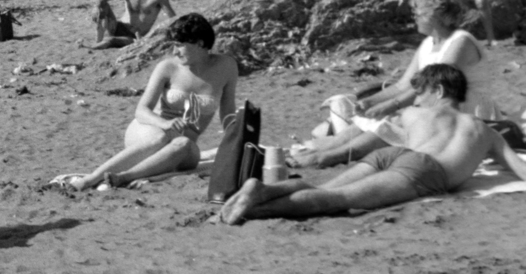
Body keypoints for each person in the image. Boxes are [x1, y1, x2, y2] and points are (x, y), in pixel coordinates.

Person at [221, 64, 526, 224]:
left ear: (439, 89)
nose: (417, 98)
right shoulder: (485, 132)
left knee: (326, 190)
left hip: (393, 155)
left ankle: (262, 191)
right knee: (338, 200)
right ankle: (256, 210)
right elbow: (519, 170)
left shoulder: (412, 113)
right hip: (423, 172)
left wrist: (328, 149)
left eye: (420, 91)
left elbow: (371, 132)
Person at [293, 0, 493, 167]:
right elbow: (402, 85)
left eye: (419, 12)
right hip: (430, 105)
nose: (414, 16)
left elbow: (433, 86)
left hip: (463, 110)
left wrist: (391, 105)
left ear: (438, 15)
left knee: (392, 120)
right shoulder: (428, 44)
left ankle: (331, 155)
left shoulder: (461, 42)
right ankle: (325, 148)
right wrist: (370, 102)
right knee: (373, 119)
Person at [60, 13, 239, 191]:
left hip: (182, 145)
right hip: (149, 130)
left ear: (200, 43)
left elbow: (228, 110)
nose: (175, 51)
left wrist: (235, 135)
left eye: (179, 45)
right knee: (160, 137)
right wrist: (165, 123)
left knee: (184, 144)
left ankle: (123, 177)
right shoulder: (168, 67)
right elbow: (142, 111)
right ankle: (90, 180)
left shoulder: (226, 67)